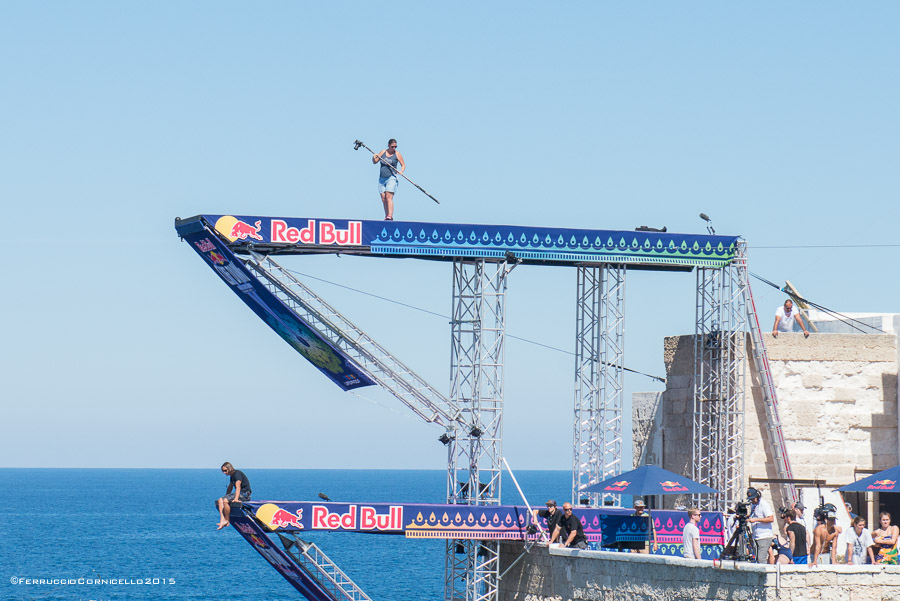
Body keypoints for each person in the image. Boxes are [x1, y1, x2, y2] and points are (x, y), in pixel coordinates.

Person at [371, 138, 405, 221]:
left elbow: (403, 165)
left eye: (395, 147)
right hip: (382, 178)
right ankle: (386, 216)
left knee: (388, 196)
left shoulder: (397, 154)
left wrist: (401, 171)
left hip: (392, 177)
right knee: (383, 198)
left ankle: (390, 215)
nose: (394, 148)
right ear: (389, 146)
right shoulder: (383, 152)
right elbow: (375, 162)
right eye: (392, 147)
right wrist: (374, 157)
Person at [216, 462, 251, 530]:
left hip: (244, 494)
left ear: (230, 468)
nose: (224, 473)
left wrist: (236, 499)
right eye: (223, 471)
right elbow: (230, 487)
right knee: (220, 500)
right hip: (239, 493)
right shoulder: (232, 477)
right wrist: (226, 496)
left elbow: (238, 487)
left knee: (225, 501)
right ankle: (222, 520)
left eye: (225, 471)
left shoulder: (237, 474)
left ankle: (227, 520)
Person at [746, 488, 774, 563]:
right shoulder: (753, 505)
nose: (752, 501)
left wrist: (755, 520)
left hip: (764, 536)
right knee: (757, 559)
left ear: (757, 496)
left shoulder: (764, 504)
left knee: (761, 559)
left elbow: (771, 518)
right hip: (756, 536)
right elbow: (754, 514)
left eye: (753, 499)